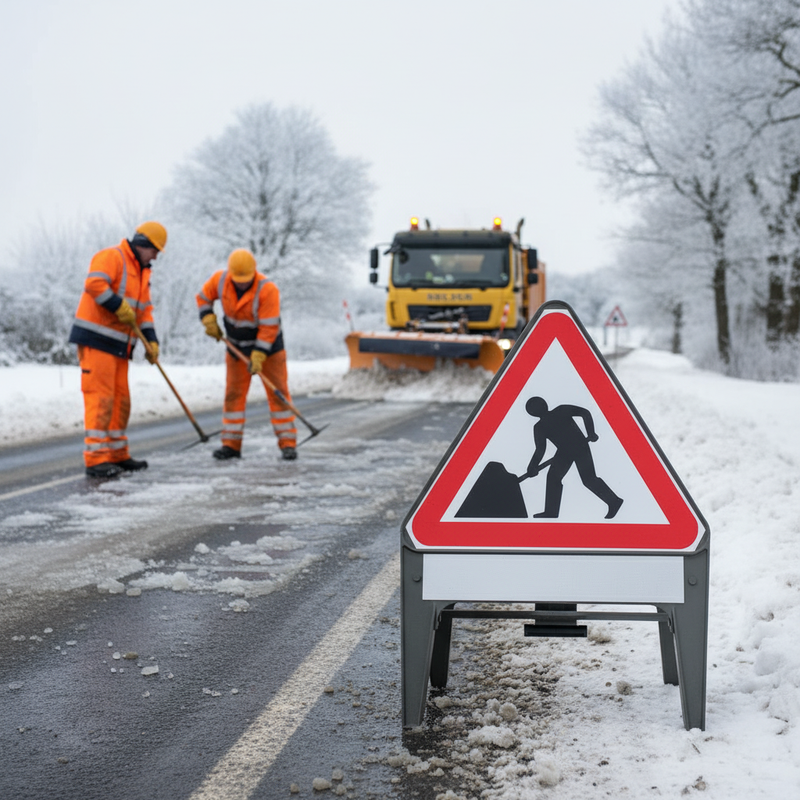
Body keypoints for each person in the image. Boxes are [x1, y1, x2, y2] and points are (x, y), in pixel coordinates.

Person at [68, 221, 167, 478]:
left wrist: (151, 340)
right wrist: (117, 305)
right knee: (101, 399)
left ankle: (117, 454)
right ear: (142, 244)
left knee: (121, 401)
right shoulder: (113, 256)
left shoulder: (144, 272)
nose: (156, 255)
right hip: (96, 341)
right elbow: (94, 284)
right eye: (155, 249)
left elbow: (143, 311)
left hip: (120, 346)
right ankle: (96, 459)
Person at [196, 248, 297, 461]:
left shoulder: (267, 290)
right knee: (233, 395)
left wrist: (259, 355)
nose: (242, 283)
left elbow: (269, 328)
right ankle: (231, 445)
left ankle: (287, 443)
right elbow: (203, 298)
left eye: (246, 280)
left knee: (278, 394)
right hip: (235, 347)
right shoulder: (220, 280)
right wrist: (207, 318)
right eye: (238, 280)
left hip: (269, 350)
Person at [523, 396, 623, 519]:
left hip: (579, 446)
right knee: (554, 478)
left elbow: (584, 413)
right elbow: (540, 449)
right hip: (564, 452)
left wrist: (591, 432)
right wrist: (532, 466)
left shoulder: (560, 411)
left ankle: (614, 501)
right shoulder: (540, 426)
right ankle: (551, 512)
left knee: (588, 479)